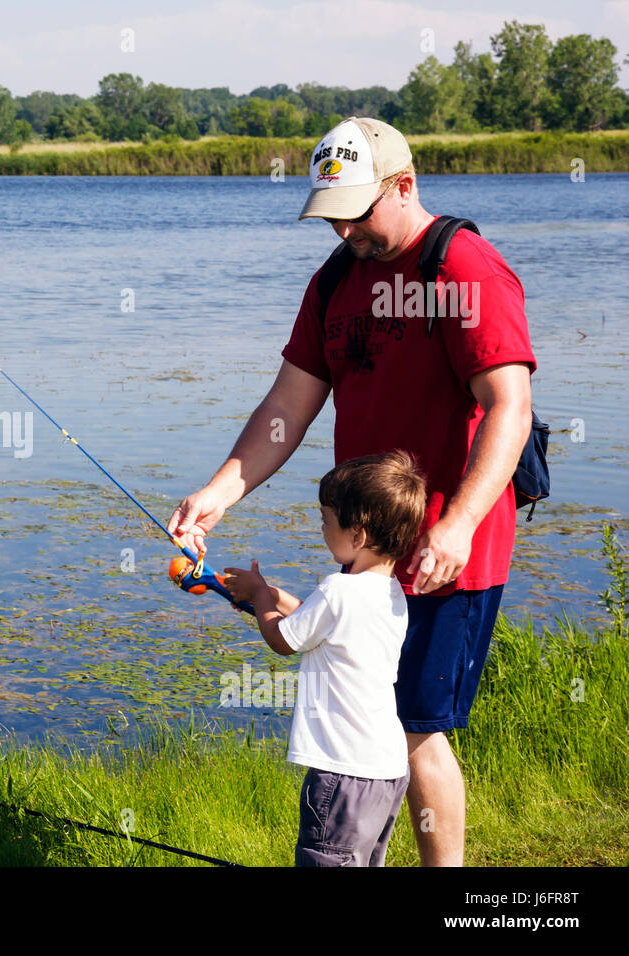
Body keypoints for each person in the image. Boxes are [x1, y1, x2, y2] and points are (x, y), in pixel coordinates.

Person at [167, 116, 536, 866]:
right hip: (370, 549)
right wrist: (220, 490)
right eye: (333, 217)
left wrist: (458, 525)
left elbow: (510, 407)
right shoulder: (337, 280)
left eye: (358, 212)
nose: (344, 232)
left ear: (404, 187)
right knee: (372, 720)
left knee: (413, 724)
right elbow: (286, 408)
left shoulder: (463, 270)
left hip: (448, 546)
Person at [223, 451, 427, 866]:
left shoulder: (338, 589)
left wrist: (261, 597)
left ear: (359, 534)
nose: (321, 527)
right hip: (387, 770)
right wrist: (273, 596)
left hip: (343, 771)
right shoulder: (391, 595)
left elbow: (284, 640)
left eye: (326, 519)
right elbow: (326, 627)